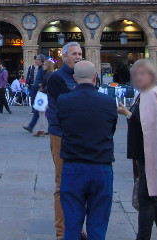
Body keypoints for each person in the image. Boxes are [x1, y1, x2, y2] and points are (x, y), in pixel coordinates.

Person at [118, 59, 157, 240]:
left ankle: (143, 237)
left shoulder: (150, 94)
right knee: (153, 195)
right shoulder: (152, 92)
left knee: (146, 197)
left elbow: (148, 124)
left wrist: (126, 113)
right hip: (147, 150)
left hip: (149, 150)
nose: (138, 77)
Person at [57, 61, 118, 240]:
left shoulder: (64, 100)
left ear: (74, 78)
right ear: (95, 77)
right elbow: (111, 130)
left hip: (73, 166)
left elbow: (62, 126)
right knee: (98, 223)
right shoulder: (109, 102)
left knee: (72, 225)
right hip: (101, 166)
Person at [47, 41, 83, 240]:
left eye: (80, 54)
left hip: (80, 136)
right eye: (74, 54)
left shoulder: (82, 77)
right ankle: (62, 233)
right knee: (63, 185)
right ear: (64, 56)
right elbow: (69, 106)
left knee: (79, 185)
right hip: (61, 135)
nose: (78, 57)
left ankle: (77, 228)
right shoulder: (57, 78)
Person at [24, 54, 46, 133]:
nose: (35, 60)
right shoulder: (33, 67)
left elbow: (45, 78)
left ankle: (34, 127)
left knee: (45, 111)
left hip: (41, 90)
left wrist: (41, 86)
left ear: (40, 60)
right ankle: (31, 126)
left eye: (36, 59)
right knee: (37, 109)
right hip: (35, 88)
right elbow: (29, 76)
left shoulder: (43, 68)